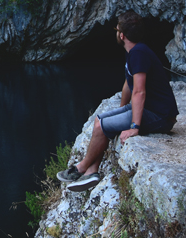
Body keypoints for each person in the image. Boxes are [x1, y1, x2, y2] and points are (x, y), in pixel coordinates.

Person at [57, 10, 179, 192]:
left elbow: (139, 92)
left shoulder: (139, 54)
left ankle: (82, 168)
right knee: (101, 120)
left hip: (160, 116)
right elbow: (128, 86)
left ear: (121, 35)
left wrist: (134, 127)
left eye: (116, 29)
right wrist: (121, 112)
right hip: (152, 111)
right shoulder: (134, 52)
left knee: (100, 126)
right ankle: (92, 171)